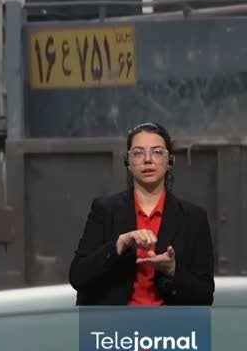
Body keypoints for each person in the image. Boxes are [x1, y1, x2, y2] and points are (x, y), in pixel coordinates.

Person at [69, 122, 214, 306]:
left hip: (171, 330)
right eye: (138, 152)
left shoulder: (194, 218)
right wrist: (117, 246)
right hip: (114, 330)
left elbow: (205, 295)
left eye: (157, 152)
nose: (147, 159)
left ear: (171, 160)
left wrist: (173, 270)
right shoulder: (105, 210)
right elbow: (78, 277)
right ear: (127, 162)